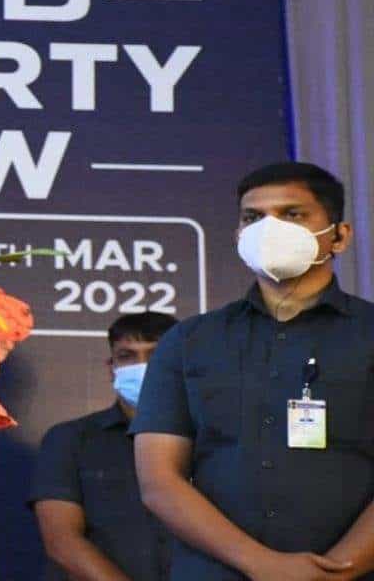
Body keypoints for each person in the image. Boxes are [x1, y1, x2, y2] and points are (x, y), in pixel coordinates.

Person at [132, 162, 374, 580]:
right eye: (253, 218)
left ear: (339, 236)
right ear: (239, 236)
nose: (269, 229)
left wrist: (336, 572)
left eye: (292, 214)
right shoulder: (189, 340)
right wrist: (263, 565)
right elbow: (159, 480)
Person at [30, 312, 177, 581]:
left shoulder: (213, 441)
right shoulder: (70, 439)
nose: (142, 366)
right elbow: (62, 540)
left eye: (155, 355)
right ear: (111, 368)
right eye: (127, 356)